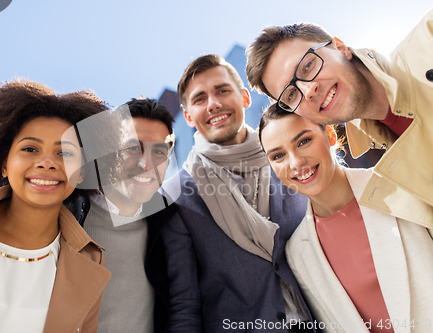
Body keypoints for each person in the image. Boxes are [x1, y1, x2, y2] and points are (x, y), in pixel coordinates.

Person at [0, 79, 112, 333]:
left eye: (65, 153)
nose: (47, 162)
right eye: (30, 148)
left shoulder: (90, 260)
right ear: (4, 163)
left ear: (82, 173)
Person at [161, 54, 316, 332]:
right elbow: (184, 302)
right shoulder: (176, 195)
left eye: (222, 90)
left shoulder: (288, 159)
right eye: (199, 99)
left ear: (244, 97)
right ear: (188, 116)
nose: (213, 104)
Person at [245, 10, 433, 227]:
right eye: (291, 94)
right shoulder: (383, 161)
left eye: (307, 66)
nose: (308, 90)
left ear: (340, 47)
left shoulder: (427, 39)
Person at [258, 103, 433, 332]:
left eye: (304, 141)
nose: (295, 162)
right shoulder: (298, 253)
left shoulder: (400, 187)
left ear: (330, 134)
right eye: (278, 155)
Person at [67, 97, 178, 333]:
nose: (146, 163)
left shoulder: (171, 221)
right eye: (132, 148)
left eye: (159, 151)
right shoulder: (67, 213)